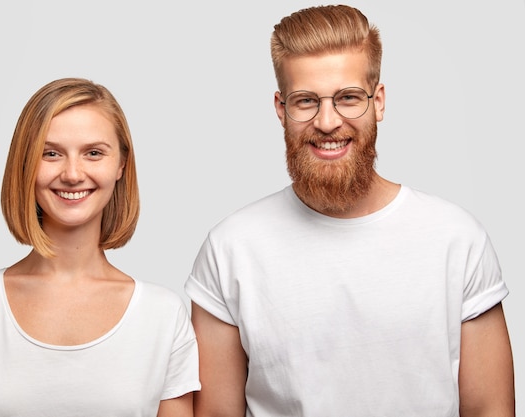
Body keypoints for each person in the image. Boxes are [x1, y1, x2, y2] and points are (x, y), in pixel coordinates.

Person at [185, 5, 514, 417]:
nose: (327, 122)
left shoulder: (457, 239)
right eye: (305, 100)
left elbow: (490, 410)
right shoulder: (230, 249)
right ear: (280, 108)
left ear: (378, 102)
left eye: (348, 98)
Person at [0, 77, 200, 417]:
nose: (72, 174)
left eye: (93, 153)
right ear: (25, 163)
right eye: (51, 153)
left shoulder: (162, 315)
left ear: (121, 165)